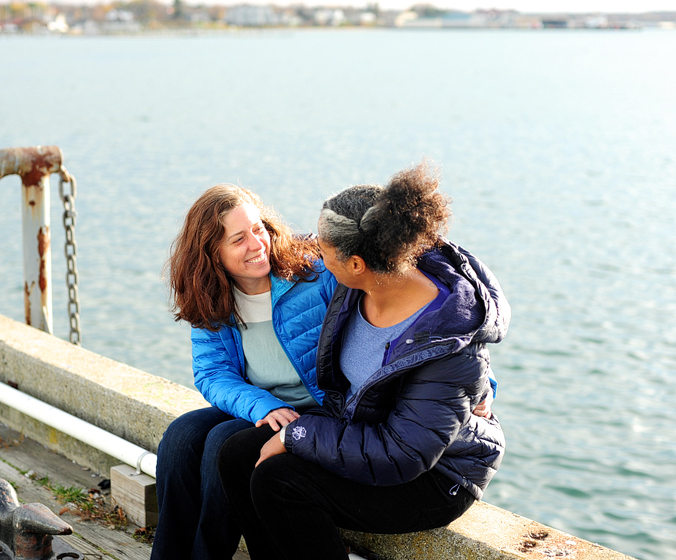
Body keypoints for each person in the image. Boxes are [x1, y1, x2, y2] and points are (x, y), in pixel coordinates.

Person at [217, 163, 509, 560]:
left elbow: (401, 455)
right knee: (238, 454)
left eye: (324, 247)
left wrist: (296, 436)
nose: (314, 251)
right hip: (363, 432)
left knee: (279, 480)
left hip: (436, 476)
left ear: (356, 263)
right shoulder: (363, 279)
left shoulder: (447, 344)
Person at [150, 184, 337, 560]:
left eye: (258, 229)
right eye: (239, 239)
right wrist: (260, 405)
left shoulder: (315, 275)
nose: (256, 244)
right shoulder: (212, 296)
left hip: (320, 406)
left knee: (222, 443)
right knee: (181, 435)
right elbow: (212, 373)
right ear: (212, 254)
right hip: (265, 403)